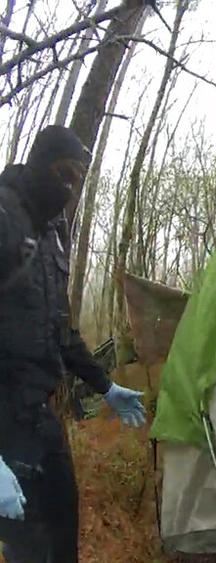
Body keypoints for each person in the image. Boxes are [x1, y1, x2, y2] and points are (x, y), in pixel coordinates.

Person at [0, 125, 147, 562]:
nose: (69, 188)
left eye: (78, 180)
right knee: (28, 547)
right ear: (41, 161)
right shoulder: (5, 215)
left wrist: (105, 385)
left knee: (64, 532)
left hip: (42, 417)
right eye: (64, 174)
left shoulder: (53, 234)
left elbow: (60, 327)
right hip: (5, 419)